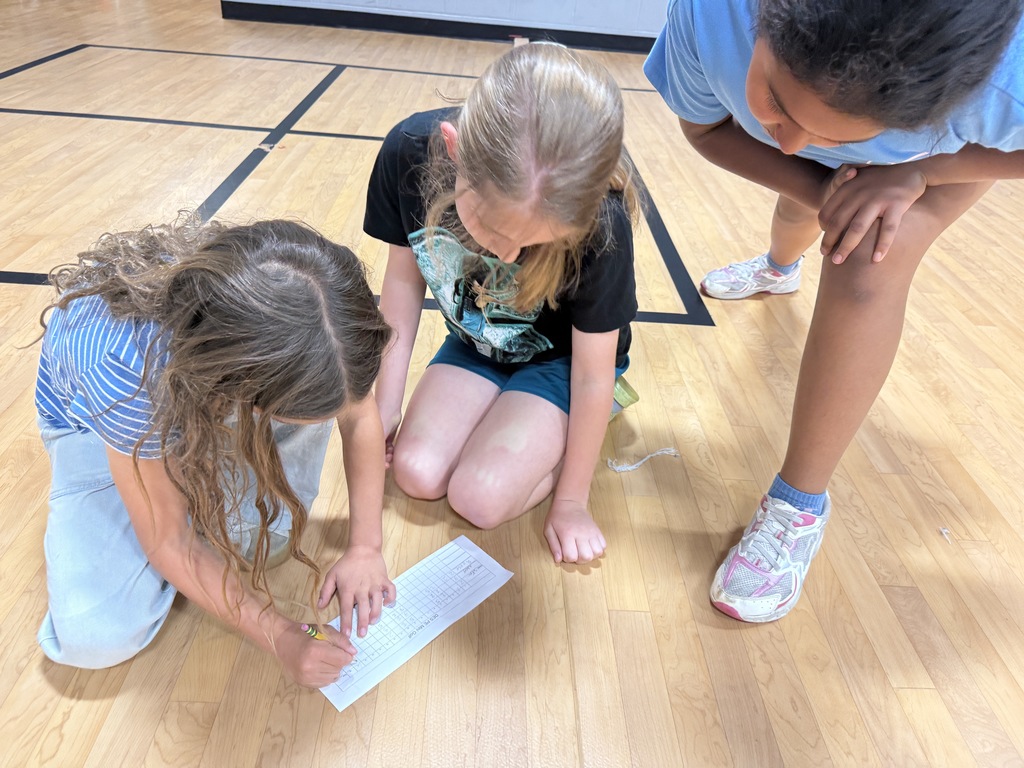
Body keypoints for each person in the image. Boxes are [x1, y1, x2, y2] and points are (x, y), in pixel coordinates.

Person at [645, 0, 1024, 621]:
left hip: (930, 163)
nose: (793, 141)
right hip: (871, 144)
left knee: (870, 249)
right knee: (809, 198)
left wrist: (920, 173)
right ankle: (778, 265)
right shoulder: (711, 17)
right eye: (777, 100)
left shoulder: (1006, 82)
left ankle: (799, 503)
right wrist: (823, 186)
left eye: (834, 133)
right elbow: (706, 129)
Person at [34, 216, 396, 687]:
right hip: (105, 426)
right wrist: (282, 636)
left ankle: (207, 477)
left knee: (265, 544)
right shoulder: (123, 363)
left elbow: (358, 411)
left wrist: (366, 547)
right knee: (96, 635)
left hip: (219, 394)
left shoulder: (297, 307)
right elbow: (169, 539)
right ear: (242, 384)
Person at [366, 42, 640, 565]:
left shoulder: (603, 222)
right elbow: (401, 289)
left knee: (480, 496)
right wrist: (385, 407)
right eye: (493, 228)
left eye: (535, 243)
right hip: (479, 343)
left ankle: (594, 417)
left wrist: (571, 501)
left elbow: (589, 373)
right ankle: (515, 418)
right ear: (454, 148)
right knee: (416, 472)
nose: (509, 254)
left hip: (563, 364)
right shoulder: (405, 152)